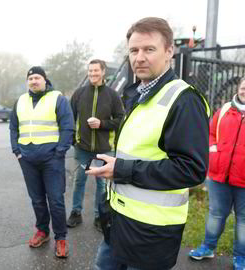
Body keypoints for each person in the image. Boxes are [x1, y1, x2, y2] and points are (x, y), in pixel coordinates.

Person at [86, 17, 210, 270]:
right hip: (119, 224)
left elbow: (191, 170)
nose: (139, 57)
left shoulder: (183, 100)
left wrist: (121, 170)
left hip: (151, 236)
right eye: (134, 50)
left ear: (169, 52)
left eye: (149, 49)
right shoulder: (137, 94)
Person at [9, 66, 74, 258]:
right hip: (27, 159)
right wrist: (17, 151)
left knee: (55, 200)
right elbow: (13, 127)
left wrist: (59, 152)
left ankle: (61, 238)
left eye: (37, 78)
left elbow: (68, 127)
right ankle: (43, 232)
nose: (34, 81)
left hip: (51, 160)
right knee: (37, 200)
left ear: (45, 80)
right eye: (30, 79)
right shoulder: (20, 101)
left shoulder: (58, 99)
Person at [189, 77, 245, 270]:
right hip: (219, 175)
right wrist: (213, 150)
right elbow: (211, 132)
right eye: (244, 87)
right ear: (239, 88)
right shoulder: (224, 110)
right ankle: (208, 247)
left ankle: (240, 257)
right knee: (216, 214)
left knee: (243, 221)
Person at [67, 59, 124, 230]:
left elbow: (121, 120)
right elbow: (69, 119)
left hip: (104, 150)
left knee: (102, 183)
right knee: (79, 180)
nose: (92, 74)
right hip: (82, 148)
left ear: (103, 72)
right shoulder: (79, 94)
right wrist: (73, 140)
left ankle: (100, 216)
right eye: (90, 71)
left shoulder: (112, 95)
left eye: (96, 71)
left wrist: (102, 124)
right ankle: (76, 212)